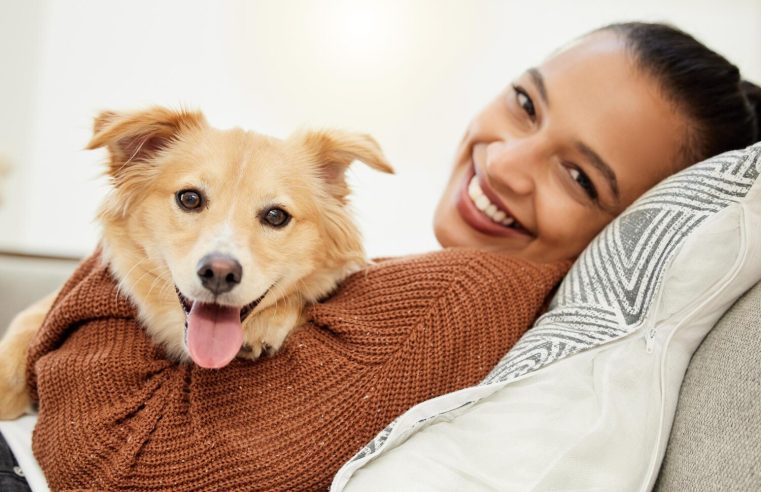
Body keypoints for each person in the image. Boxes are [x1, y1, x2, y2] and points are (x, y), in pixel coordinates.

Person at [2, 21, 760, 492]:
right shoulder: (419, 282)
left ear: (629, 225)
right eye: (526, 103)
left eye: (578, 176)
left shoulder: (468, 293)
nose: (504, 164)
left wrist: (114, 259)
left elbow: (113, 468)